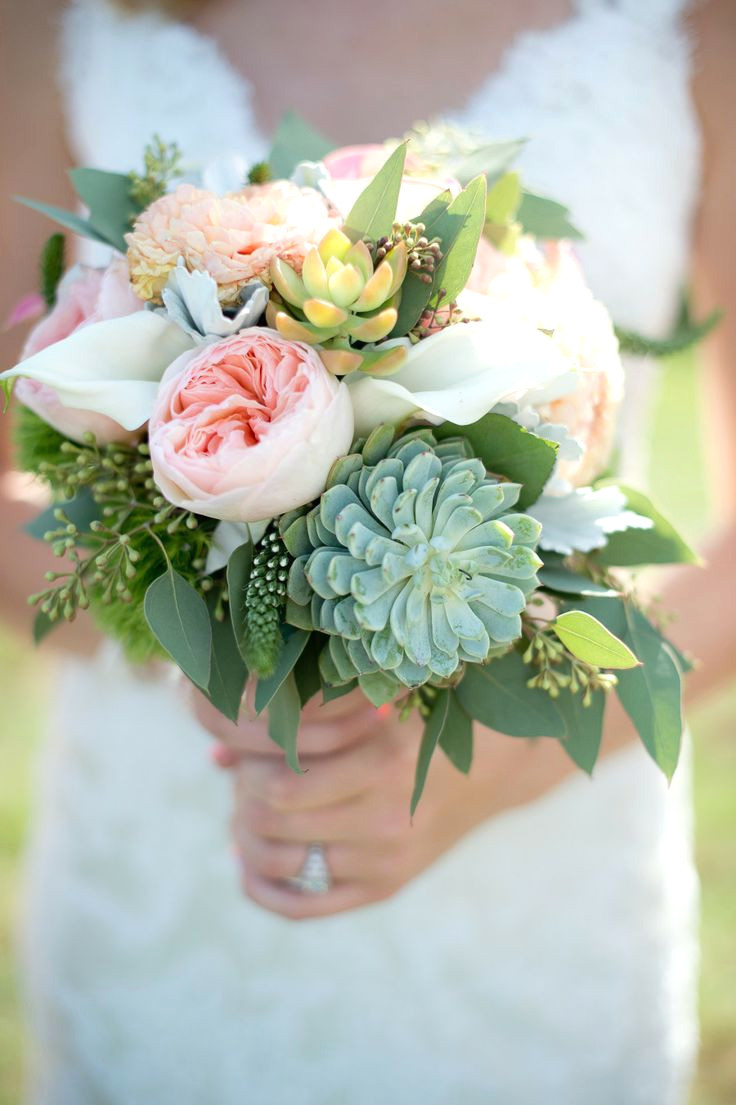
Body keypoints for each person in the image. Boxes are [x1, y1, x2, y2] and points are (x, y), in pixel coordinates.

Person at [1, 0, 734, 1101]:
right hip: (176, 855)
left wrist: (495, 771)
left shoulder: (696, 27)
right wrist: (202, 657)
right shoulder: (59, 22)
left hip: (536, 907)